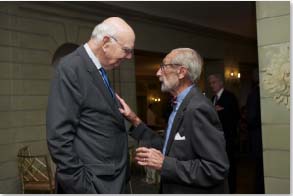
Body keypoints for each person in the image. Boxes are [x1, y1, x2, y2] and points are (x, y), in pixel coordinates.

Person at [116, 48, 229, 193]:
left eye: (163, 67)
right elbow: (169, 148)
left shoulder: (198, 108)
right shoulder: (180, 105)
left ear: (182, 72)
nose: (158, 73)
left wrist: (165, 164)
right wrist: (135, 120)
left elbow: (216, 168)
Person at [46, 17, 135, 193]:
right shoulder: (72, 67)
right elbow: (58, 137)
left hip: (111, 180)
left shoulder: (98, 69)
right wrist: (83, 187)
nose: (129, 56)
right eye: (126, 50)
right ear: (106, 42)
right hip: (93, 184)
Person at [208, 73, 240, 193]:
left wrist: (221, 112)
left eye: (214, 82)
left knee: (230, 167)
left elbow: (236, 117)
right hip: (216, 141)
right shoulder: (212, 99)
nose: (211, 85)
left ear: (221, 83)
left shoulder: (230, 97)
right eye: (210, 83)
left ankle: (231, 191)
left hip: (228, 139)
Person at [245, 69, 264, 193]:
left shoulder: (254, 93)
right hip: (260, 135)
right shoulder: (260, 93)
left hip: (257, 135)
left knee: (260, 168)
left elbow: (251, 118)